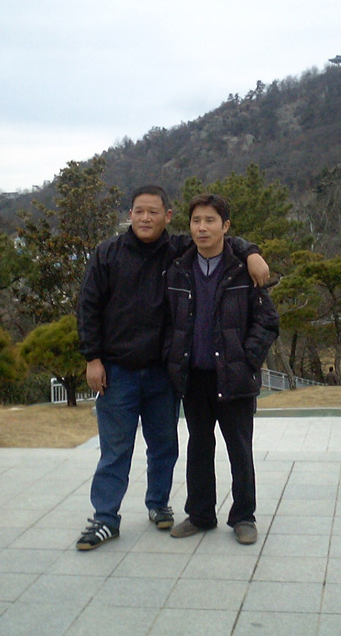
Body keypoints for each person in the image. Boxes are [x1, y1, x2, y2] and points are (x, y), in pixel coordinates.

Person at [75, 185, 269, 550]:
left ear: (167, 217)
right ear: (129, 215)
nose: (145, 218)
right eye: (138, 211)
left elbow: (224, 243)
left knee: (171, 447)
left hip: (168, 373)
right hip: (123, 371)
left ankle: (168, 505)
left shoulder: (178, 251)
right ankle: (106, 518)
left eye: (153, 212)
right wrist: (92, 357)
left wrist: (253, 253)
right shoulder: (110, 254)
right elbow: (88, 307)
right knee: (118, 449)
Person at [164, 194, 280, 545]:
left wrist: (247, 359)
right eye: (196, 220)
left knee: (239, 450)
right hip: (194, 375)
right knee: (199, 447)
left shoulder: (243, 269)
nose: (202, 227)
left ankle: (244, 516)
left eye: (210, 220)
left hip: (233, 376)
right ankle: (200, 514)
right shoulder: (178, 268)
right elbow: (168, 319)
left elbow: (267, 320)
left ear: (226, 226)